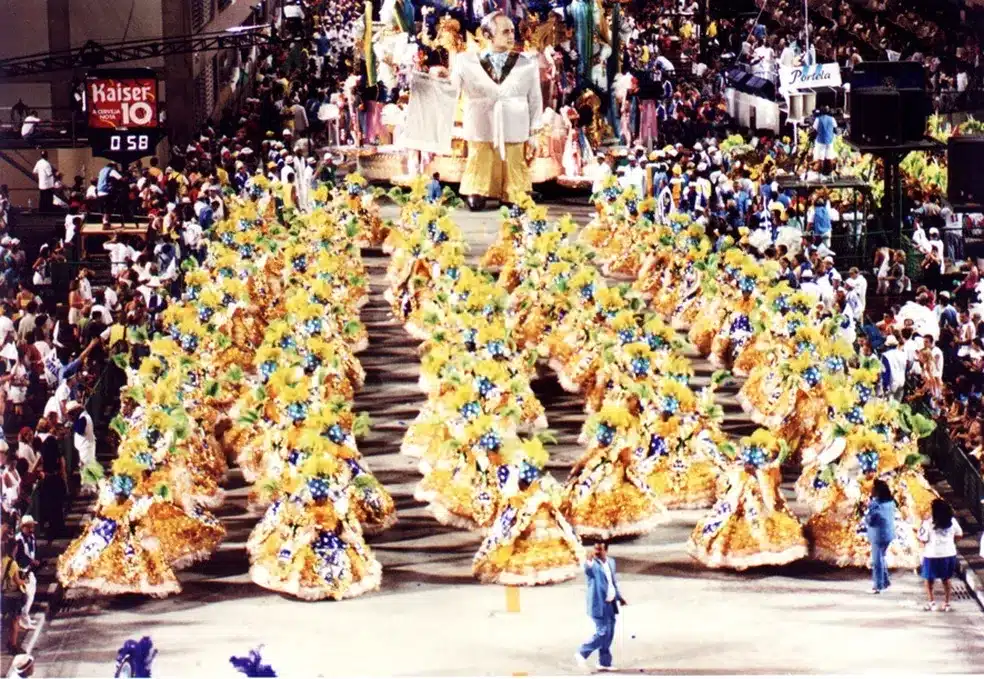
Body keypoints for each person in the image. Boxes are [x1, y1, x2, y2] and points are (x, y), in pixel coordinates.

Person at [575, 541, 626, 672]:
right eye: (595, 549)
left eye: (600, 550)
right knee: (602, 632)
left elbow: (612, 582)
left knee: (609, 634)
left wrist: (619, 597)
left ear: (606, 550)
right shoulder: (593, 565)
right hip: (598, 605)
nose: (596, 552)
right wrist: (588, 561)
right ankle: (582, 652)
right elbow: (588, 570)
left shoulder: (611, 562)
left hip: (611, 604)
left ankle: (604, 662)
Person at [918, 499, 962, 612]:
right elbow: (959, 534)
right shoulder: (952, 521)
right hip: (949, 554)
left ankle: (931, 602)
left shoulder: (928, 523)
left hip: (932, 554)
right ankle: (947, 603)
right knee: (946, 579)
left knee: (929, 580)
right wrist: (951, 542)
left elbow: (922, 539)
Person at [864, 479, 896, 593]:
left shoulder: (875, 504)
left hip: (878, 535)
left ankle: (878, 585)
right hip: (889, 533)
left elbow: (871, 520)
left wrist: (866, 516)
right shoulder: (891, 502)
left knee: (877, 561)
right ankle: (885, 581)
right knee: (881, 557)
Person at [12, 515, 38, 631]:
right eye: (30, 526)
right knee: (27, 595)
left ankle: (25, 616)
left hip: (29, 570)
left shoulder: (31, 537)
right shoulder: (18, 539)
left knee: (31, 593)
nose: (32, 528)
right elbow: (19, 556)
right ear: (24, 527)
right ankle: (24, 620)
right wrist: (31, 561)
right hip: (22, 571)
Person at [812, 107, 838, 177]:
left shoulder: (818, 119)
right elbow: (835, 129)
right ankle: (829, 172)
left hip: (820, 141)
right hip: (829, 141)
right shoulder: (832, 119)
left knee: (820, 158)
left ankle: (820, 173)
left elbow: (814, 130)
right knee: (829, 157)